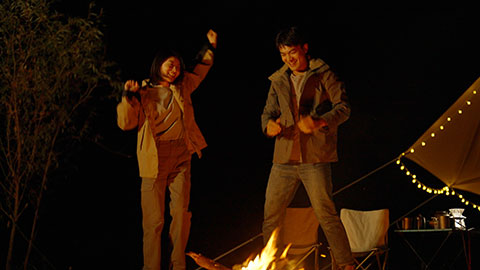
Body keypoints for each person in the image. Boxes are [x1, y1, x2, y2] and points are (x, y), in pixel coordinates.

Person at [117, 29, 217, 270]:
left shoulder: (182, 86)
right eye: (170, 65)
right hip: (154, 160)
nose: (174, 70)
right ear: (158, 64)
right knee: (154, 222)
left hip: (182, 155)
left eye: (177, 67)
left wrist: (210, 48)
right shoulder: (142, 92)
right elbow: (125, 124)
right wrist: (127, 97)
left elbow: (200, 70)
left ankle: (177, 264)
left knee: (181, 215)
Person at [260, 26, 355, 270]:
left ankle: (345, 264)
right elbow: (267, 113)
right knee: (271, 215)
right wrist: (268, 125)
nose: (288, 59)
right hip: (283, 158)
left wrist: (321, 121)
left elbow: (343, 108)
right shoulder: (279, 79)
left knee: (325, 214)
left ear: (304, 48)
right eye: (283, 54)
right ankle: (272, 264)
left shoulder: (324, 74)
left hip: (314, 157)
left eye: (291, 52)